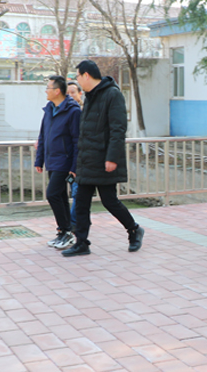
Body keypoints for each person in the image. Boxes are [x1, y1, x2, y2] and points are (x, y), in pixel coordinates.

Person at [62, 60, 145, 257]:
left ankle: (134, 229)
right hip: (87, 160)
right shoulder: (90, 96)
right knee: (81, 202)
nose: (77, 81)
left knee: (109, 201)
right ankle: (82, 243)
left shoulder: (112, 94)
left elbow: (118, 129)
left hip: (103, 159)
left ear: (86, 75)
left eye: (78, 76)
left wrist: (112, 158)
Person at [35, 75, 81, 250]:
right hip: (51, 161)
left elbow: (77, 141)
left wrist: (74, 166)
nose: (45, 91)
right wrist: (39, 159)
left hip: (64, 162)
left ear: (57, 91)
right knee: (60, 196)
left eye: (48, 88)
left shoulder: (73, 111)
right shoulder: (49, 110)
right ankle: (64, 232)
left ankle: (66, 231)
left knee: (52, 194)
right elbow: (42, 136)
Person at [66, 80, 84, 229]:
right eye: (67, 93)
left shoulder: (82, 111)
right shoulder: (62, 111)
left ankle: (73, 224)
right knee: (74, 192)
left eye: (73, 92)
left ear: (80, 94)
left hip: (81, 159)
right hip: (67, 159)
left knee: (77, 193)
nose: (70, 95)